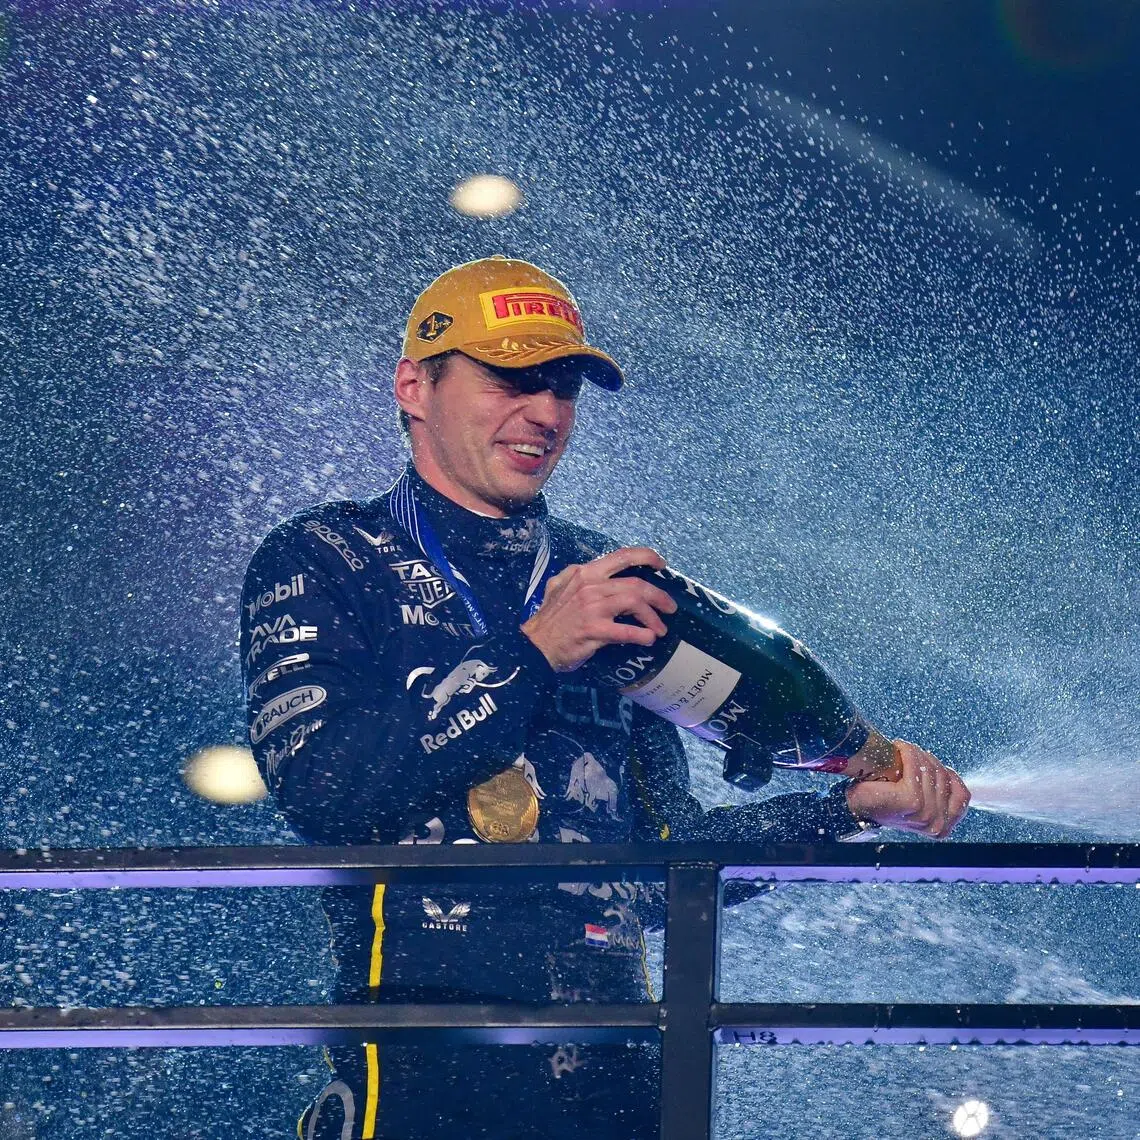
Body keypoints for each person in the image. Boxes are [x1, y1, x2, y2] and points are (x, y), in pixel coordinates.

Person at [239, 256, 970, 1139]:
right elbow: (324, 790)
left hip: (624, 1072)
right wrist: (535, 652)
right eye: (511, 378)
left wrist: (843, 812)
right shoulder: (325, 556)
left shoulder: (610, 579)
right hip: (421, 1068)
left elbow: (660, 874)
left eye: (563, 387)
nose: (545, 413)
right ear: (414, 386)